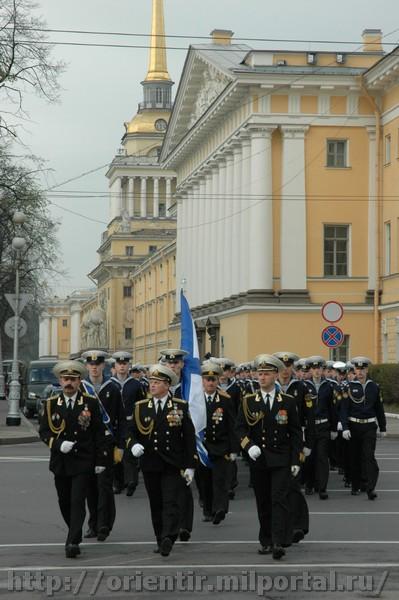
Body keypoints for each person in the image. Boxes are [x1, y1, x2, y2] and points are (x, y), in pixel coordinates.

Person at [127, 364, 198, 557]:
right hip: (150, 463)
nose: (152, 385)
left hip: (172, 463)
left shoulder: (179, 406)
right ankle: (160, 539)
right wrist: (132, 444)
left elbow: (189, 437)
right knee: (156, 503)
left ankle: (169, 536)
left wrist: (191, 465)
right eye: (151, 382)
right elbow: (130, 431)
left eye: (157, 382)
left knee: (171, 502)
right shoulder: (141, 407)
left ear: (167, 385)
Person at [236, 354, 302, 560]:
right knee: (263, 501)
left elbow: (296, 433)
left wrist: (295, 460)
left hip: (281, 459)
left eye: (266, 374)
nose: (261, 378)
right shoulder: (248, 402)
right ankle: (265, 540)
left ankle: (278, 541)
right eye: (259, 374)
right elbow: (239, 429)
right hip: (259, 459)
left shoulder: (288, 402)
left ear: (275, 375)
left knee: (279, 500)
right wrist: (249, 446)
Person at [39, 360, 108, 558]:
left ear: (79, 381)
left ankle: (72, 541)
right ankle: (74, 531)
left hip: (82, 460)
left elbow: (99, 433)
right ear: (60, 381)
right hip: (60, 461)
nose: (69, 383)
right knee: (64, 501)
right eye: (65, 379)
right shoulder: (51, 404)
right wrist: (59, 444)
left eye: (73, 379)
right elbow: (44, 432)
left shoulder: (90, 403)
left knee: (78, 501)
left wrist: (101, 460)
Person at [80, 350, 126, 541]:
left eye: (98, 364)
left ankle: (104, 525)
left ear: (103, 366)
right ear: (86, 366)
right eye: (91, 365)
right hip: (87, 445)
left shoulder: (112, 389)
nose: (94, 367)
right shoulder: (81, 388)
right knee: (90, 488)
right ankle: (93, 524)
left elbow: (122, 419)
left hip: (107, 444)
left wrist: (121, 445)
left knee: (104, 486)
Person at [273, 351, 315, 544]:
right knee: (281, 488)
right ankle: (285, 527)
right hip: (276, 443)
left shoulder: (301, 387)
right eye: (282, 366)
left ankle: (299, 525)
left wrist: (308, 444)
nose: (286, 370)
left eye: (289, 366)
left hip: (295, 441)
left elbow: (310, 417)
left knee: (293, 484)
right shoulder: (270, 387)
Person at [197, 361, 239, 525]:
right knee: (204, 481)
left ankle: (220, 509)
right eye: (207, 379)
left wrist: (234, 449)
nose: (210, 382)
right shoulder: (196, 399)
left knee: (220, 480)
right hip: (202, 447)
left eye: (213, 379)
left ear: (218, 380)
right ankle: (208, 510)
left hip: (221, 447)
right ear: (202, 381)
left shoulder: (225, 399)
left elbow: (232, 425)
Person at [340, 356, 387, 500]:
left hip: (369, 426)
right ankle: (355, 485)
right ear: (354, 370)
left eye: (362, 369)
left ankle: (370, 487)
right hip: (354, 426)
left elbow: (379, 408)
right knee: (354, 457)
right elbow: (344, 409)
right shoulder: (348, 387)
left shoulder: (374, 387)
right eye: (357, 369)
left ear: (367, 370)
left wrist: (383, 427)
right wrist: (345, 427)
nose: (359, 372)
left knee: (369, 457)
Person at [159, 348, 193, 542]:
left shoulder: (189, 386)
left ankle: (184, 525)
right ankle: (171, 525)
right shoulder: (159, 386)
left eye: (176, 363)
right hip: (164, 445)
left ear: (181, 365)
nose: (173, 366)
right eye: (169, 363)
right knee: (167, 491)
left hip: (184, 442)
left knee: (183, 487)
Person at [302, 356, 337, 500]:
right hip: (309, 427)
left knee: (322, 457)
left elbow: (332, 408)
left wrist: (334, 428)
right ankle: (310, 484)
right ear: (310, 370)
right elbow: (300, 408)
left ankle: (322, 488)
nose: (317, 371)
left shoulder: (328, 386)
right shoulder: (303, 386)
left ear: (323, 369)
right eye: (314, 368)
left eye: (319, 368)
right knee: (310, 457)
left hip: (323, 425)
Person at [112, 351, 145, 496]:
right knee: (117, 454)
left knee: (130, 452)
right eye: (119, 364)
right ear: (115, 366)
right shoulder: (110, 384)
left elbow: (141, 404)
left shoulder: (135, 384)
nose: (122, 367)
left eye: (124, 364)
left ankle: (131, 481)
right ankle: (118, 483)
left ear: (128, 366)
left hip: (130, 422)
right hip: (115, 424)